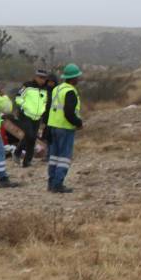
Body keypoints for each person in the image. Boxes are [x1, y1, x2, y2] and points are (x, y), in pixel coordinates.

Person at [46, 63, 83, 193]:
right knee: (64, 157)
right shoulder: (70, 91)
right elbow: (68, 112)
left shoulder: (57, 89)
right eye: (77, 77)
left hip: (53, 126)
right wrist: (78, 123)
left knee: (54, 156)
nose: (79, 79)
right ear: (73, 78)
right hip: (65, 128)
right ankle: (58, 184)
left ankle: (51, 183)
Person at [12, 69, 49, 168]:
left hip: (37, 117)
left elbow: (45, 102)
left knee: (32, 139)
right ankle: (17, 152)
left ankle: (27, 161)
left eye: (44, 78)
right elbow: (18, 98)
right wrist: (24, 106)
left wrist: (43, 111)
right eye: (40, 77)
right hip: (25, 115)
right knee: (30, 136)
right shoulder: (27, 86)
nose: (42, 80)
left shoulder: (45, 89)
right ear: (35, 77)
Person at [39, 72, 58, 161]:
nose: (50, 84)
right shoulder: (44, 91)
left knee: (53, 138)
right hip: (46, 119)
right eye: (49, 82)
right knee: (47, 138)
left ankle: (52, 155)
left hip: (56, 119)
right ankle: (48, 155)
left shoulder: (57, 92)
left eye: (52, 82)